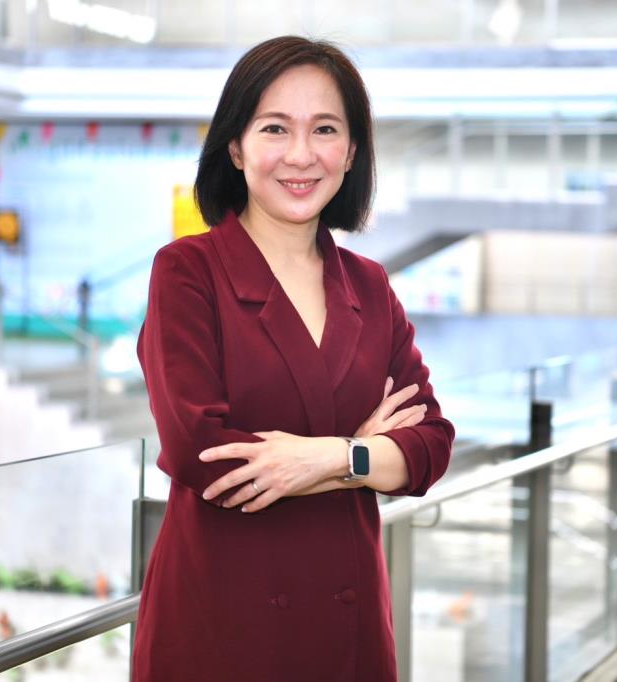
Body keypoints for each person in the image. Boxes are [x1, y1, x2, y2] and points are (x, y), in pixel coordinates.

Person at [132, 36, 455, 681]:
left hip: (349, 626)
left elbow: (430, 447)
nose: (301, 154)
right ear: (236, 146)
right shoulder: (187, 272)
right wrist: (366, 458)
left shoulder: (370, 285)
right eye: (275, 128)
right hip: (220, 622)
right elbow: (204, 456)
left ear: (352, 151)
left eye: (325, 129)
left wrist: (330, 457)